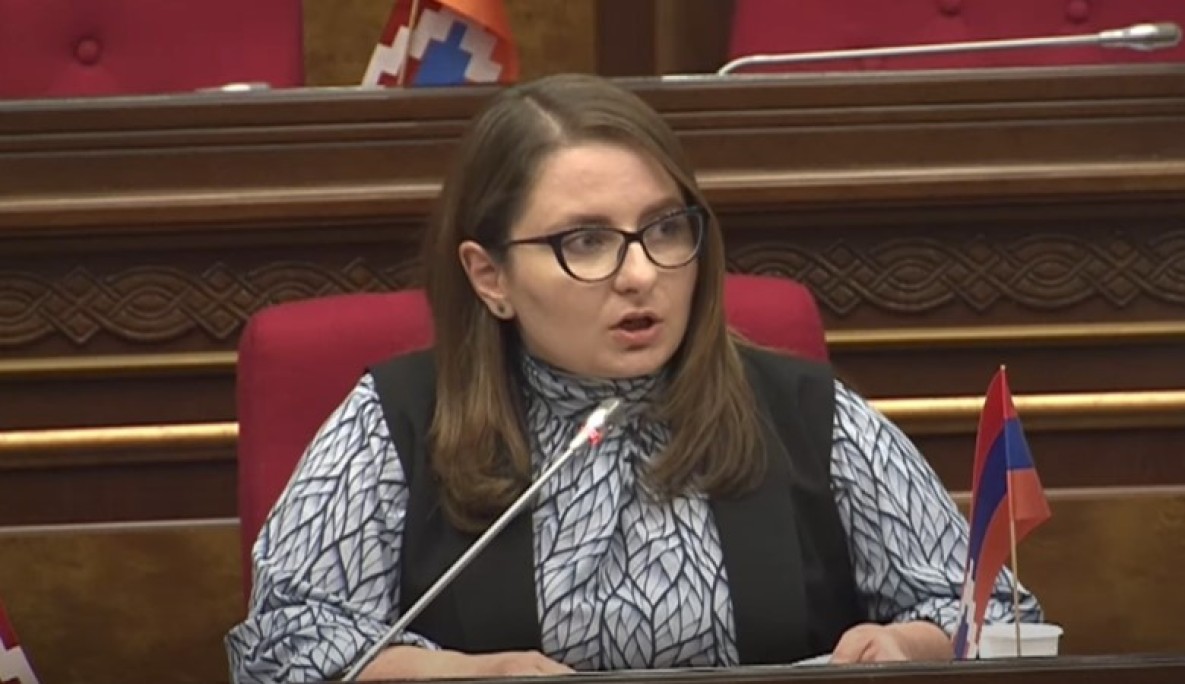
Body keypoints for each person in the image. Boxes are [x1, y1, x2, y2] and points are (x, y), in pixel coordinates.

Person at [225, 72, 1042, 684]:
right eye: (585, 242)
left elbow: (997, 617)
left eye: (664, 229)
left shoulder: (807, 415)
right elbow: (281, 647)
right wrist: (463, 675)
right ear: (489, 276)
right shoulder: (398, 422)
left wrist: (907, 646)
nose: (641, 274)